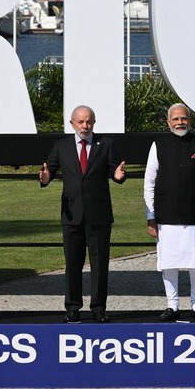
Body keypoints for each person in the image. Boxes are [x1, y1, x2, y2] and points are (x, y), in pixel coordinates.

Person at [38, 105, 127, 323]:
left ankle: (98, 308)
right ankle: (72, 308)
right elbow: (49, 172)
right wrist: (45, 178)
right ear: (72, 124)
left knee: (99, 264)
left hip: (99, 214)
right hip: (72, 214)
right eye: (80, 122)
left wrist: (118, 176)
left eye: (88, 122)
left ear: (94, 123)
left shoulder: (106, 144)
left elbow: (115, 171)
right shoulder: (61, 146)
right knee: (73, 263)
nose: (85, 126)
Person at [144, 103, 195, 322]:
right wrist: (150, 216)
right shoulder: (158, 145)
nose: (180, 122)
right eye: (175, 119)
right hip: (165, 215)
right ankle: (172, 305)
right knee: (169, 262)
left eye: (183, 118)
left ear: (190, 120)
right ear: (168, 122)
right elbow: (149, 181)